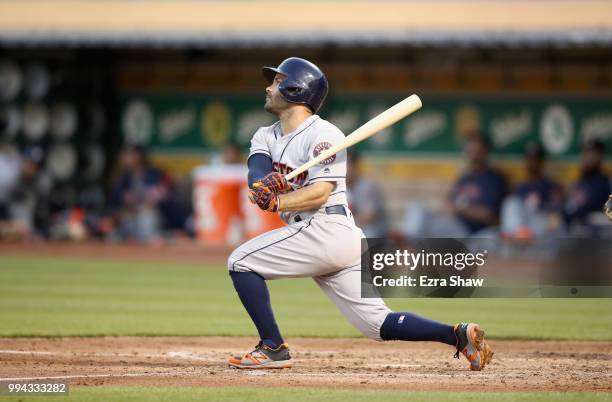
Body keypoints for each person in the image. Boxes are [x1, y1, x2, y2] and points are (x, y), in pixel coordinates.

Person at [227, 57, 493, 371]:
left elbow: (320, 191)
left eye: (276, 80)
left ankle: (272, 347)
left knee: (241, 262)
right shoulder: (265, 135)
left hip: (326, 227)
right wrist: (261, 186)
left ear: (295, 88)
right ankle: (457, 336)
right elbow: (257, 170)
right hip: (331, 237)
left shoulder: (325, 136)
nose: (268, 87)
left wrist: (277, 203)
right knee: (377, 324)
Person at [403, 132, 507, 238]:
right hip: (452, 225)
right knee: (416, 208)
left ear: (485, 151)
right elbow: (448, 205)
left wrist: (460, 209)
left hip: (472, 231)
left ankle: (406, 246)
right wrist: (451, 208)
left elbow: (488, 215)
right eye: (470, 149)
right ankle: (406, 245)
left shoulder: (493, 179)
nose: (473, 153)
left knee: (421, 227)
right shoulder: (464, 178)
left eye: (477, 149)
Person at [501, 143, 564, 240]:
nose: (533, 162)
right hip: (523, 225)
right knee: (510, 202)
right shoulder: (520, 187)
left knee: (554, 222)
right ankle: (519, 237)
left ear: (542, 161)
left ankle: (521, 237)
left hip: (541, 224)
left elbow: (555, 214)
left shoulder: (550, 186)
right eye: (530, 158)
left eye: (536, 159)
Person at [564, 139, 611, 231]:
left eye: (592, 153)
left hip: (599, 236)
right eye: (586, 153)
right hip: (576, 234)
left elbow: (590, 205)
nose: (587, 158)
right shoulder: (580, 182)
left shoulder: (605, 182)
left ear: (600, 156)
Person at [346, 151, 388, 238]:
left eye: (346, 164)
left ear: (355, 166)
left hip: (375, 231)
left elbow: (369, 216)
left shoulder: (367, 186)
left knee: (367, 234)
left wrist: (343, 223)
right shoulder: (340, 188)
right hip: (353, 228)